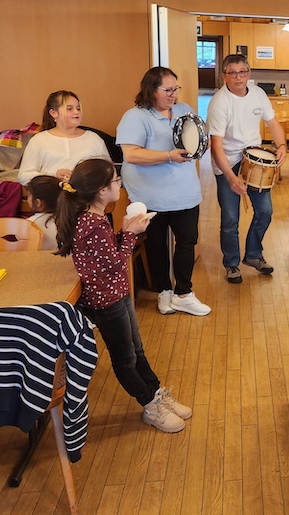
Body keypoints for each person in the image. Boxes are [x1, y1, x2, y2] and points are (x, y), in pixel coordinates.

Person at [55, 158, 192, 433]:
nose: (120, 184)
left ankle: (155, 392)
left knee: (137, 349)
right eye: (116, 180)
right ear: (101, 191)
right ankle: (150, 405)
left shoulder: (95, 217)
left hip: (117, 294)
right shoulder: (92, 223)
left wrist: (123, 232)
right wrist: (131, 234)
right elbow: (116, 263)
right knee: (125, 360)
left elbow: (106, 255)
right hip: (105, 301)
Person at [116, 66, 211, 317]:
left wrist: (199, 146)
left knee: (187, 242)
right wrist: (168, 155)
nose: (173, 94)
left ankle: (184, 294)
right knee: (156, 245)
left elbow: (200, 138)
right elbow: (131, 154)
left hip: (185, 192)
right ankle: (164, 291)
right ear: (151, 90)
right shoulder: (135, 117)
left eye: (175, 89)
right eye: (167, 90)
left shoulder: (183, 110)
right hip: (150, 195)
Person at [208, 54, 287, 284]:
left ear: (248, 74)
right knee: (230, 218)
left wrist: (282, 145)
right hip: (227, 161)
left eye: (242, 72)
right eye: (232, 73)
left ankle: (253, 255)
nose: (238, 77)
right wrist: (231, 178)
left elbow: (273, 123)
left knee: (265, 211)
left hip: (253, 159)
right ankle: (231, 263)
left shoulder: (258, 94)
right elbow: (216, 146)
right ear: (224, 76)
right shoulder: (219, 103)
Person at [18, 90, 110, 184]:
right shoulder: (38, 140)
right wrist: (53, 175)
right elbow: (24, 176)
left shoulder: (94, 139)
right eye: (69, 109)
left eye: (78, 108)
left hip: (87, 191)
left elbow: (109, 171)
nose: (76, 112)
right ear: (54, 113)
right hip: (52, 191)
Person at [26, 174, 62, 252]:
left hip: (36, 258)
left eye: (28, 195)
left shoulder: (29, 223)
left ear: (38, 202)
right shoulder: (68, 219)